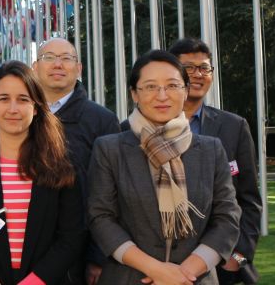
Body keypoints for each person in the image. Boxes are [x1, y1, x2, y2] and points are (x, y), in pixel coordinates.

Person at [86, 50, 240, 285]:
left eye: (172, 85)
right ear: (134, 94)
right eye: (150, 87)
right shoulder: (110, 149)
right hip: (129, 277)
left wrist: (185, 272)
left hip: (195, 278)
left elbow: (227, 217)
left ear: (186, 91)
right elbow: (101, 218)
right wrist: (157, 270)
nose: (162, 95)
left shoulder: (211, 149)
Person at [0, 61, 88, 284]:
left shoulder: (61, 163)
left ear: (35, 107)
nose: (13, 109)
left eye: (23, 99)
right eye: (4, 99)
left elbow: (70, 238)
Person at [168, 38, 262, 284]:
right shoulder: (139, 129)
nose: (198, 75)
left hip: (222, 265)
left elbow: (249, 200)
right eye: (189, 68)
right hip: (162, 264)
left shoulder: (234, 127)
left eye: (205, 68)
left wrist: (238, 258)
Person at [30, 38, 120, 283]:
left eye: (66, 58)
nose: (58, 64)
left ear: (78, 69)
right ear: (35, 67)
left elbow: (113, 193)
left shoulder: (102, 121)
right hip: (26, 250)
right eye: (49, 57)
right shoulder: (20, 115)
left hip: (80, 258)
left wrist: (99, 256)